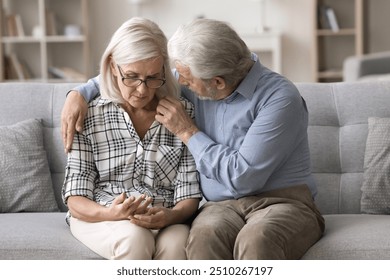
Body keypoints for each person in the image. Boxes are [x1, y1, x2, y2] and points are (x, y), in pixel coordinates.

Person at [61, 18, 325, 260]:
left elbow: (243, 176)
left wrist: (187, 131)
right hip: (221, 207)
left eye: (186, 78)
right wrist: (80, 93)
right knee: (202, 236)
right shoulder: (197, 79)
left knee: (257, 240)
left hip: (283, 203)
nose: (179, 81)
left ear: (218, 83)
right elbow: (136, 72)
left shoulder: (280, 98)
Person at [61, 17, 202, 260]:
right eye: (132, 76)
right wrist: (112, 214)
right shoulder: (91, 113)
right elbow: (75, 198)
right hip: (101, 214)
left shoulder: (182, 113)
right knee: (136, 238)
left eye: (152, 77)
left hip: (165, 215)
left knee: (179, 244)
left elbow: (188, 194)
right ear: (114, 66)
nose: (142, 89)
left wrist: (171, 216)